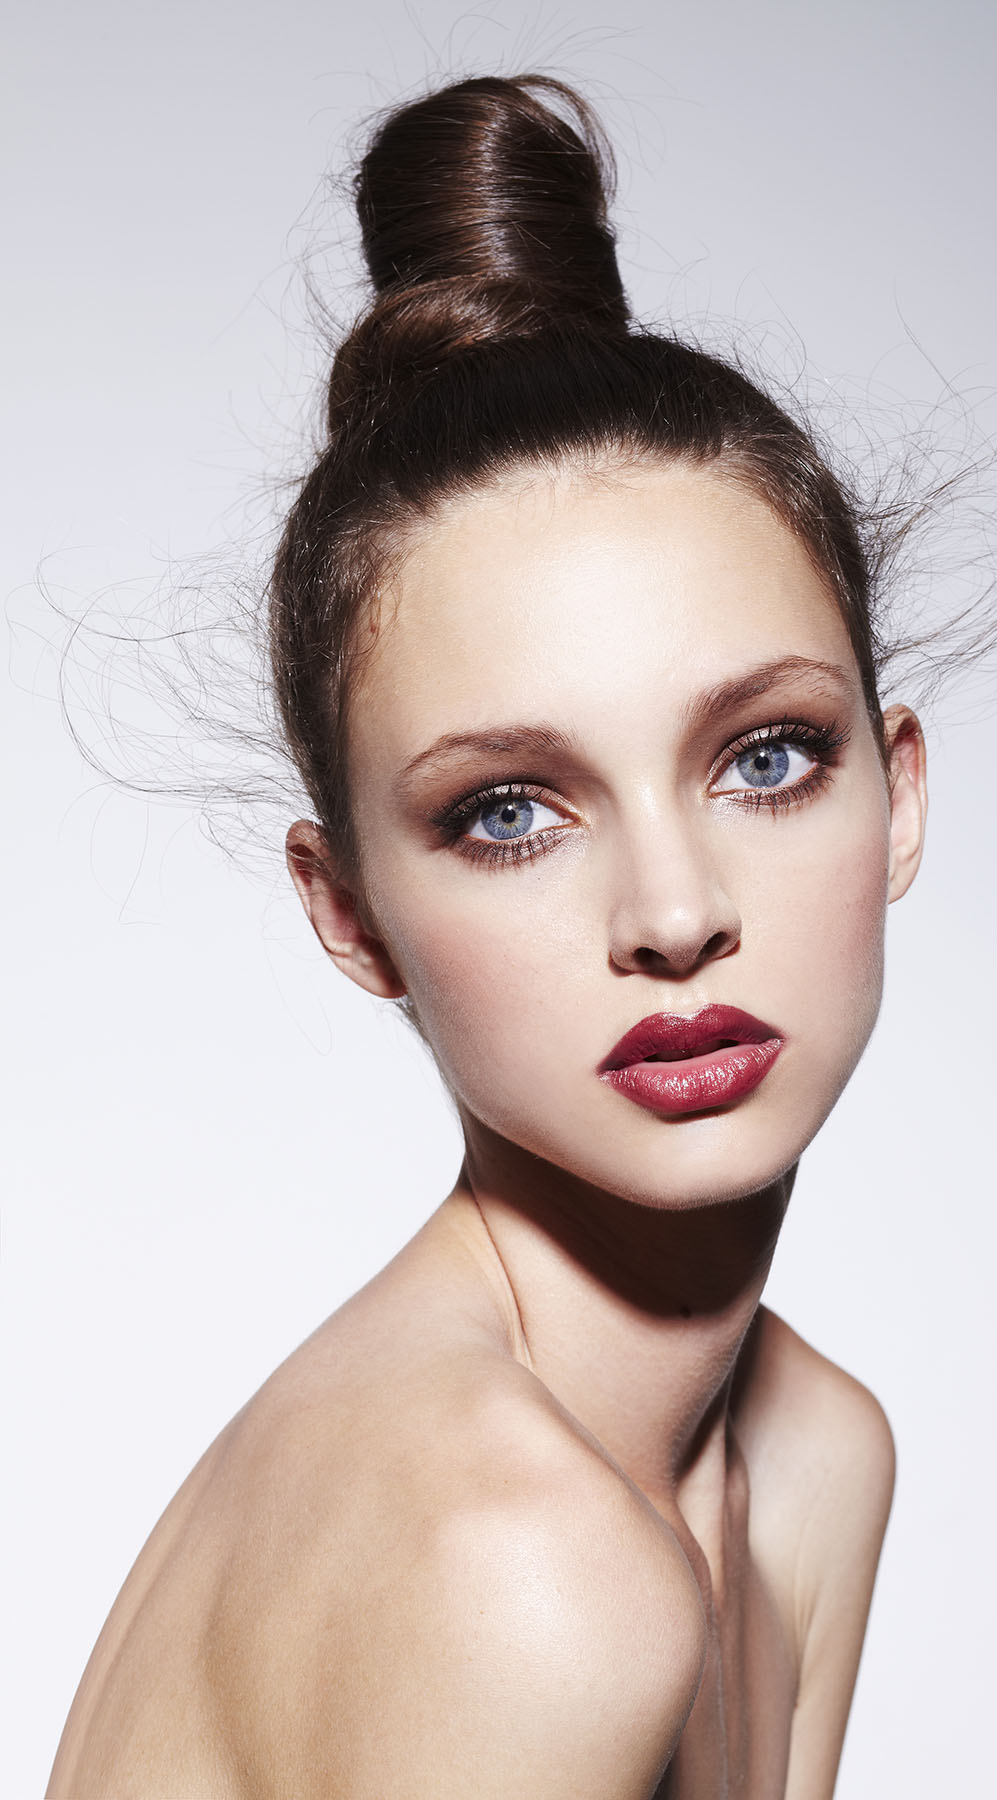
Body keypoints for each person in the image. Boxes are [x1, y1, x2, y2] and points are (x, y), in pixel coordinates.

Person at [47, 73, 936, 1798]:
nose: (675, 916)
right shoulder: (514, 1566)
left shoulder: (815, 1462)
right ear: (351, 913)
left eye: (765, 757)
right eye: (510, 811)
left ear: (897, 798)